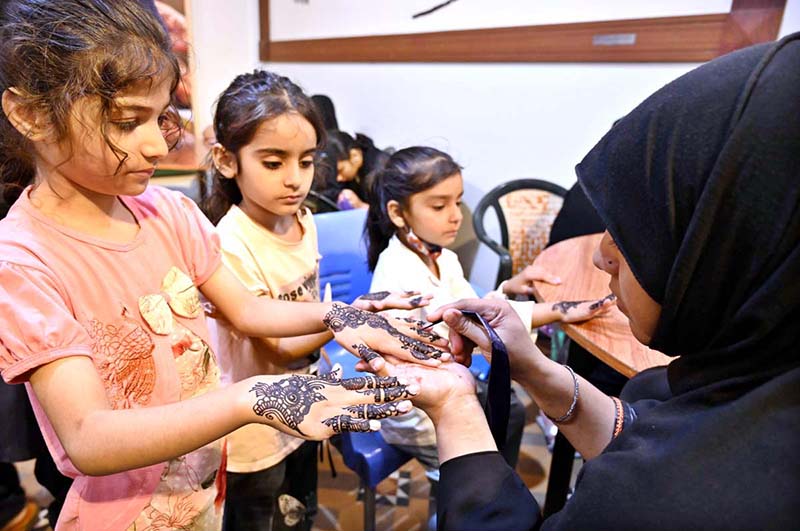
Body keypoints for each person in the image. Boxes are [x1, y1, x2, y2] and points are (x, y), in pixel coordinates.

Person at [0, 2, 446, 530]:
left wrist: (340, 317)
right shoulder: (23, 261)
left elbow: (249, 311)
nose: (155, 144)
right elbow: (89, 438)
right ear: (30, 115)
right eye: (126, 121)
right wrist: (252, 397)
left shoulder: (169, 212)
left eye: (162, 117)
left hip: (206, 488)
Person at [406, 33, 800, 530]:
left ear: (730, 245)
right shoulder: (755, 392)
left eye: (633, 232)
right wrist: (532, 366)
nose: (600, 253)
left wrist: (454, 406)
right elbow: (640, 431)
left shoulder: (673, 502)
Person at [203, 69, 429, 531]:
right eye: (273, 163)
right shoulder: (230, 244)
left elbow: (308, 307)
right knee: (259, 516)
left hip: (307, 403)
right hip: (254, 430)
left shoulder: (303, 221)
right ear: (227, 160)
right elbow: (281, 345)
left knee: (297, 514)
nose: (295, 180)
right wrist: (351, 315)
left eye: (305, 161)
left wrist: (345, 320)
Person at [363, 146, 613, 516]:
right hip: (417, 413)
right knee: (492, 447)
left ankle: (492, 480)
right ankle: (469, 501)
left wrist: (528, 295)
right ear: (398, 213)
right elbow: (473, 321)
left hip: (448, 386)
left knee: (508, 411)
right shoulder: (399, 276)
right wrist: (555, 311)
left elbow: (472, 308)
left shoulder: (441, 257)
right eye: (439, 206)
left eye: (458, 203)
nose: (455, 218)